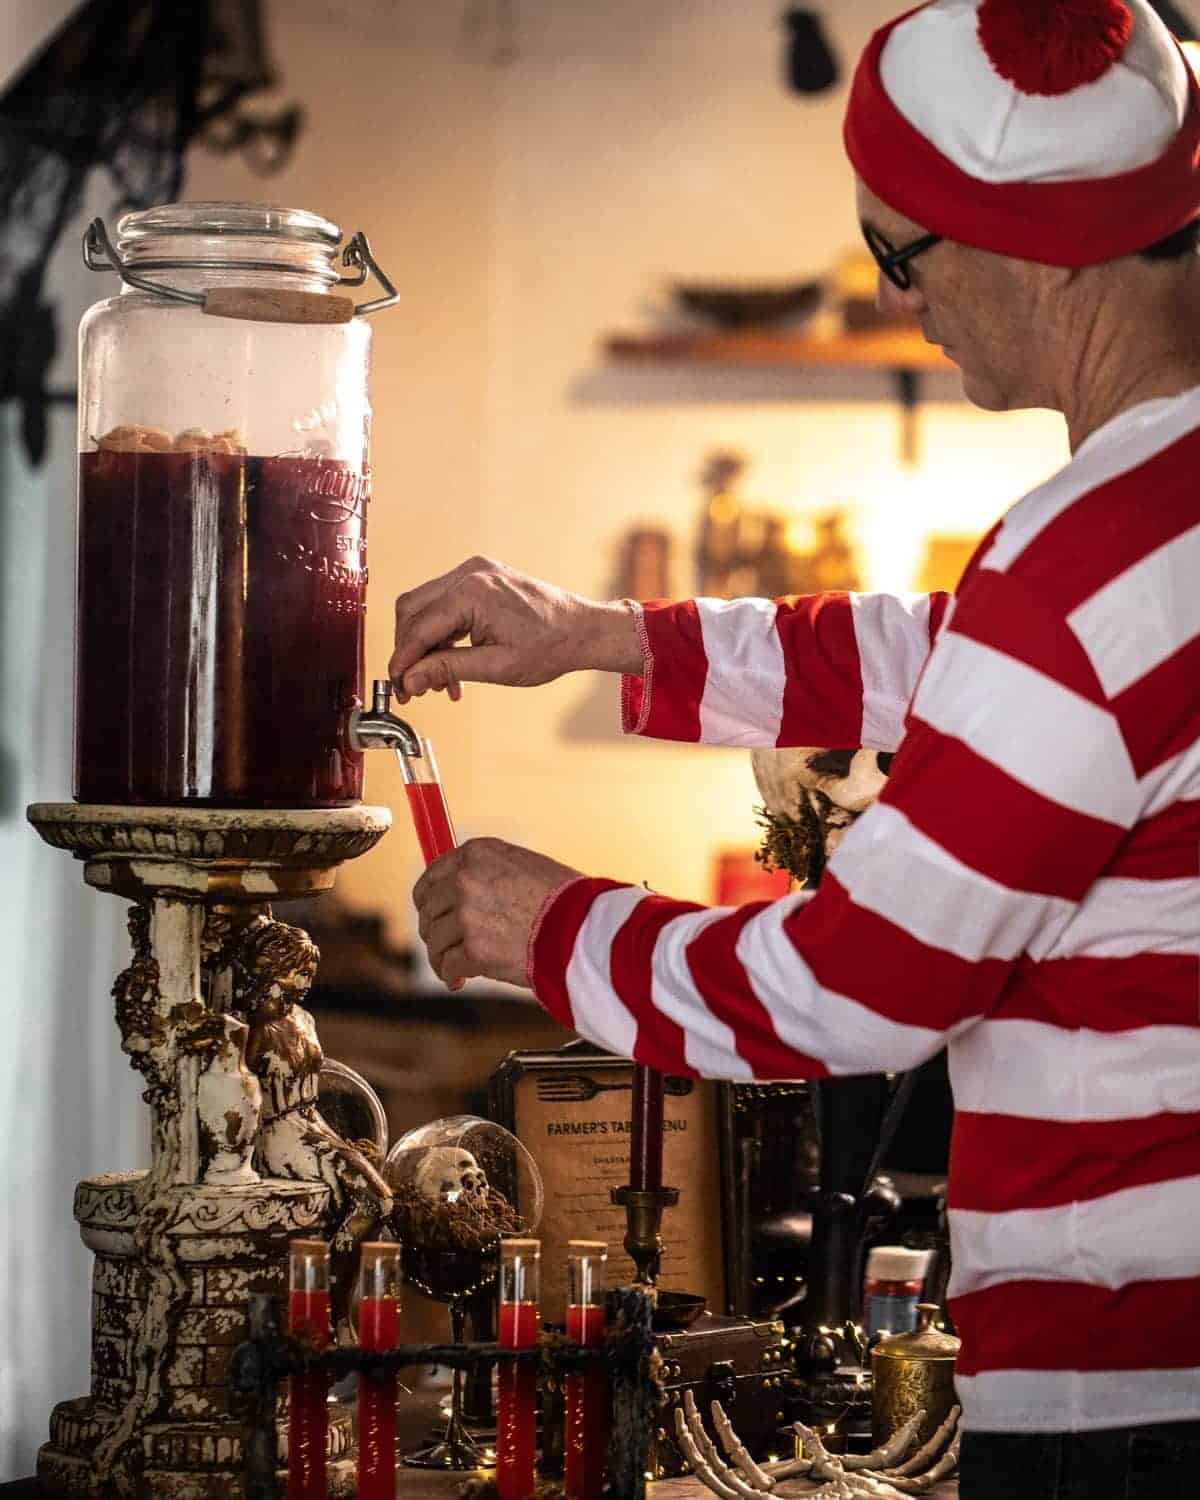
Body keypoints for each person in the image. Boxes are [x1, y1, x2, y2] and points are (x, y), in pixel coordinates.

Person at [395, 2, 1200, 1494]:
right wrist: (607, 635)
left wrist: (554, 926)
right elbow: (950, 652)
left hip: (1130, 1393)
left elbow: (856, 985)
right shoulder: (1141, 539)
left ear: (1037, 240)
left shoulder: (1092, 566)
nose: (905, 303)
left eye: (906, 253)